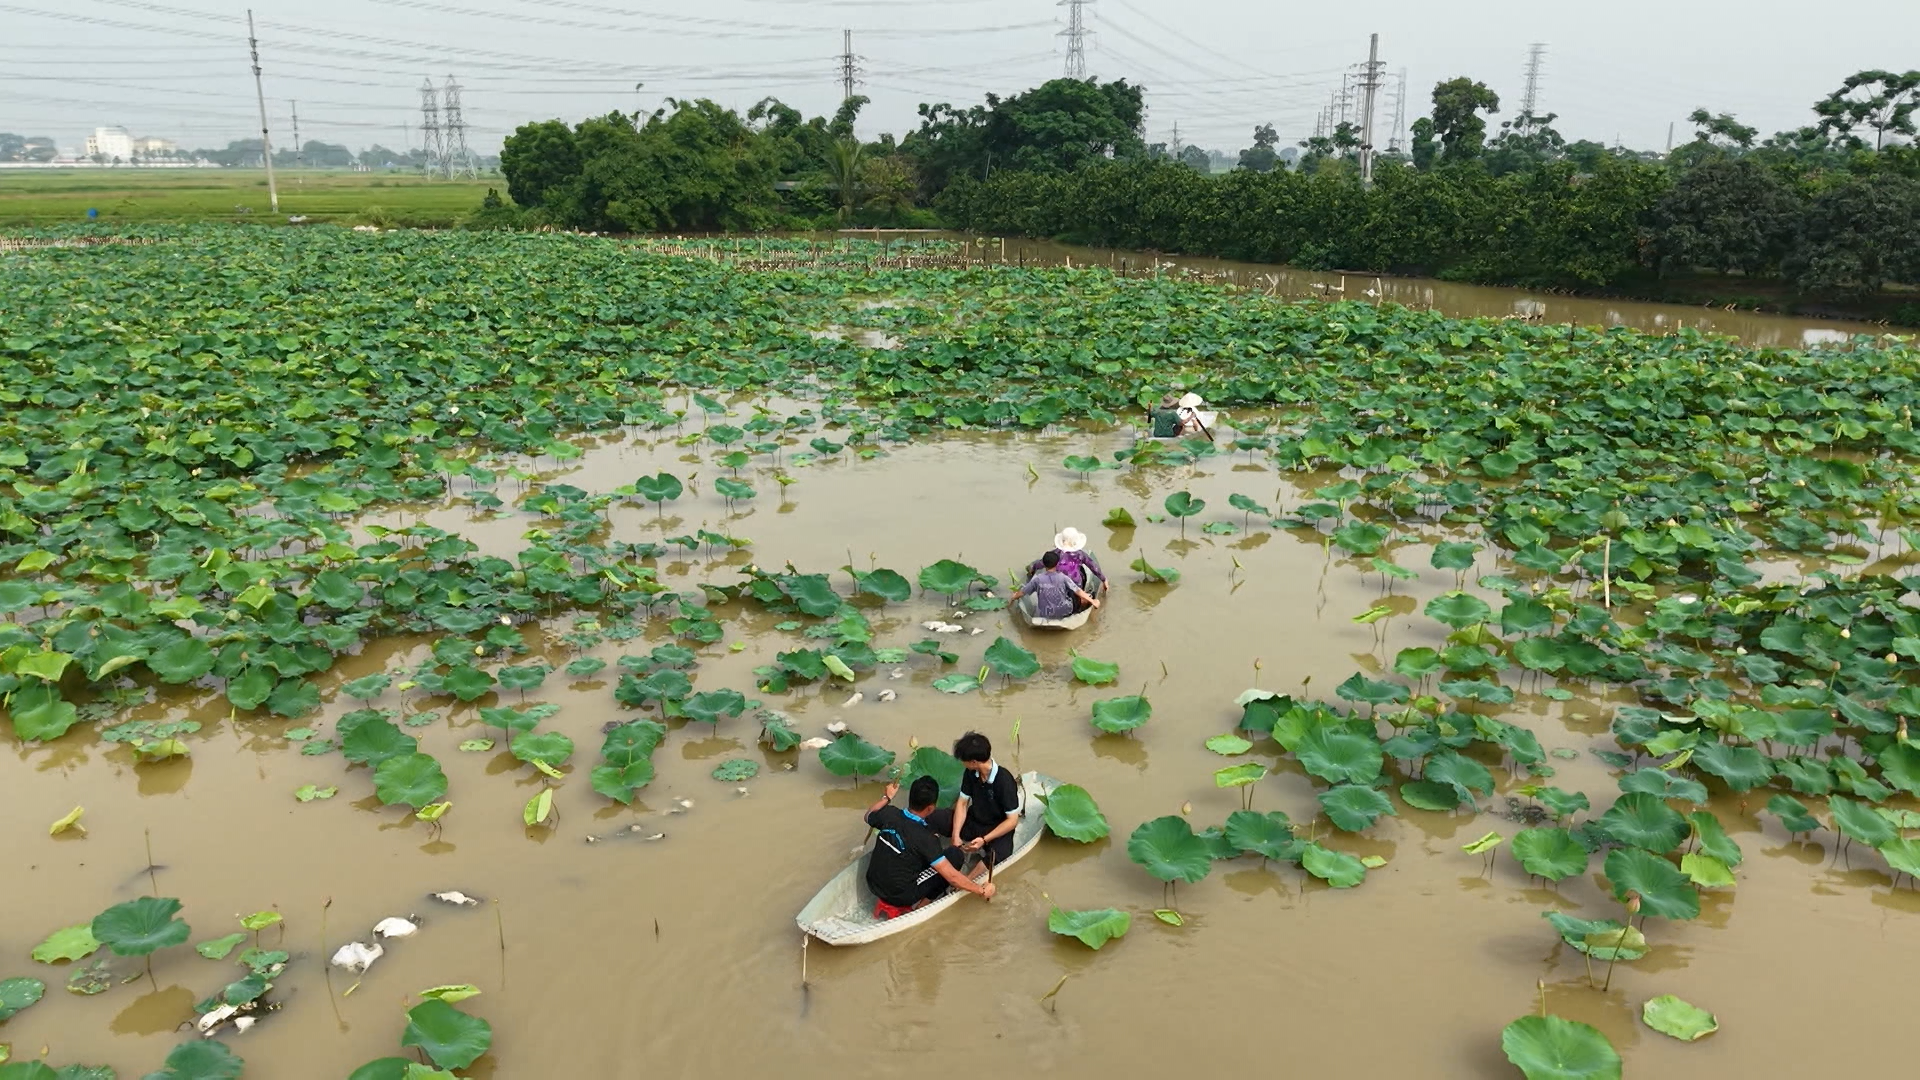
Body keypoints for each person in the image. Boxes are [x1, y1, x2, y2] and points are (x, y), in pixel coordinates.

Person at [864, 775, 995, 919]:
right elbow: (952, 877)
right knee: (954, 856)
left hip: (873, 883)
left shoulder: (889, 813)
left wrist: (887, 797)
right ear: (931, 808)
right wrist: (981, 890)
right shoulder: (926, 838)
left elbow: (868, 815)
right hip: (901, 895)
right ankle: (922, 905)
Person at [926, 731, 1022, 867]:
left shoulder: (1004, 780)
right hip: (973, 820)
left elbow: (1012, 821)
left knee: (998, 856)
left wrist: (984, 840)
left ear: (974, 762)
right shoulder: (971, 772)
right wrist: (956, 834)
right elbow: (963, 802)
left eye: (964, 761)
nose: (962, 763)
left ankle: (966, 882)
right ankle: (932, 856)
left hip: (996, 828)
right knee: (931, 817)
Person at [1008, 550, 1100, 619]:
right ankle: (1080, 610)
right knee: (1081, 595)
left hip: (1045, 613)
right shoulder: (1063, 578)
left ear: (1044, 564)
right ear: (1057, 564)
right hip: (1065, 611)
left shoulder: (1037, 579)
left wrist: (1013, 597)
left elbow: (1023, 592)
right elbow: (1078, 591)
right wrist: (1092, 601)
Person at [1025, 527, 1106, 595]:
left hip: (1058, 585)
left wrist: (1032, 568)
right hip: (1076, 585)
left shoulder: (1055, 553)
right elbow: (1093, 567)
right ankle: (1081, 596)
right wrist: (1104, 580)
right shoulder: (1080, 554)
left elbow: (1041, 563)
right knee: (1081, 571)